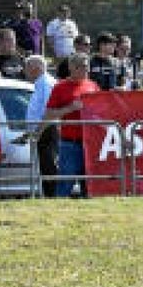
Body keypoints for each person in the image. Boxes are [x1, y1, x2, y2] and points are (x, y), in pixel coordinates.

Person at [44, 53, 100, 197]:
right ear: (71, 68)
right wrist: (70, 108)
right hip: (70, 143)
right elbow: (49, 114)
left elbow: (101, 111)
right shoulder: (60, 87)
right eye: (80, 66)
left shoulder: (93, 86)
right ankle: (59, 210)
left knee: (90, 184)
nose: (84, 70)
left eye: (86, 66)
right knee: (65, 182)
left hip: (90, 143)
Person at [23, 55, 59, 197]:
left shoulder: (45, 83)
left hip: (47, 128)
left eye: (27, 67)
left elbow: (48, 109)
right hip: (44, 128)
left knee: (48, 165)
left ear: (35, 68)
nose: (25, 71)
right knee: (45, 165)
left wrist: (39, 130)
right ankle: (48, 194)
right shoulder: (41, 83)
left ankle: (51, 196)